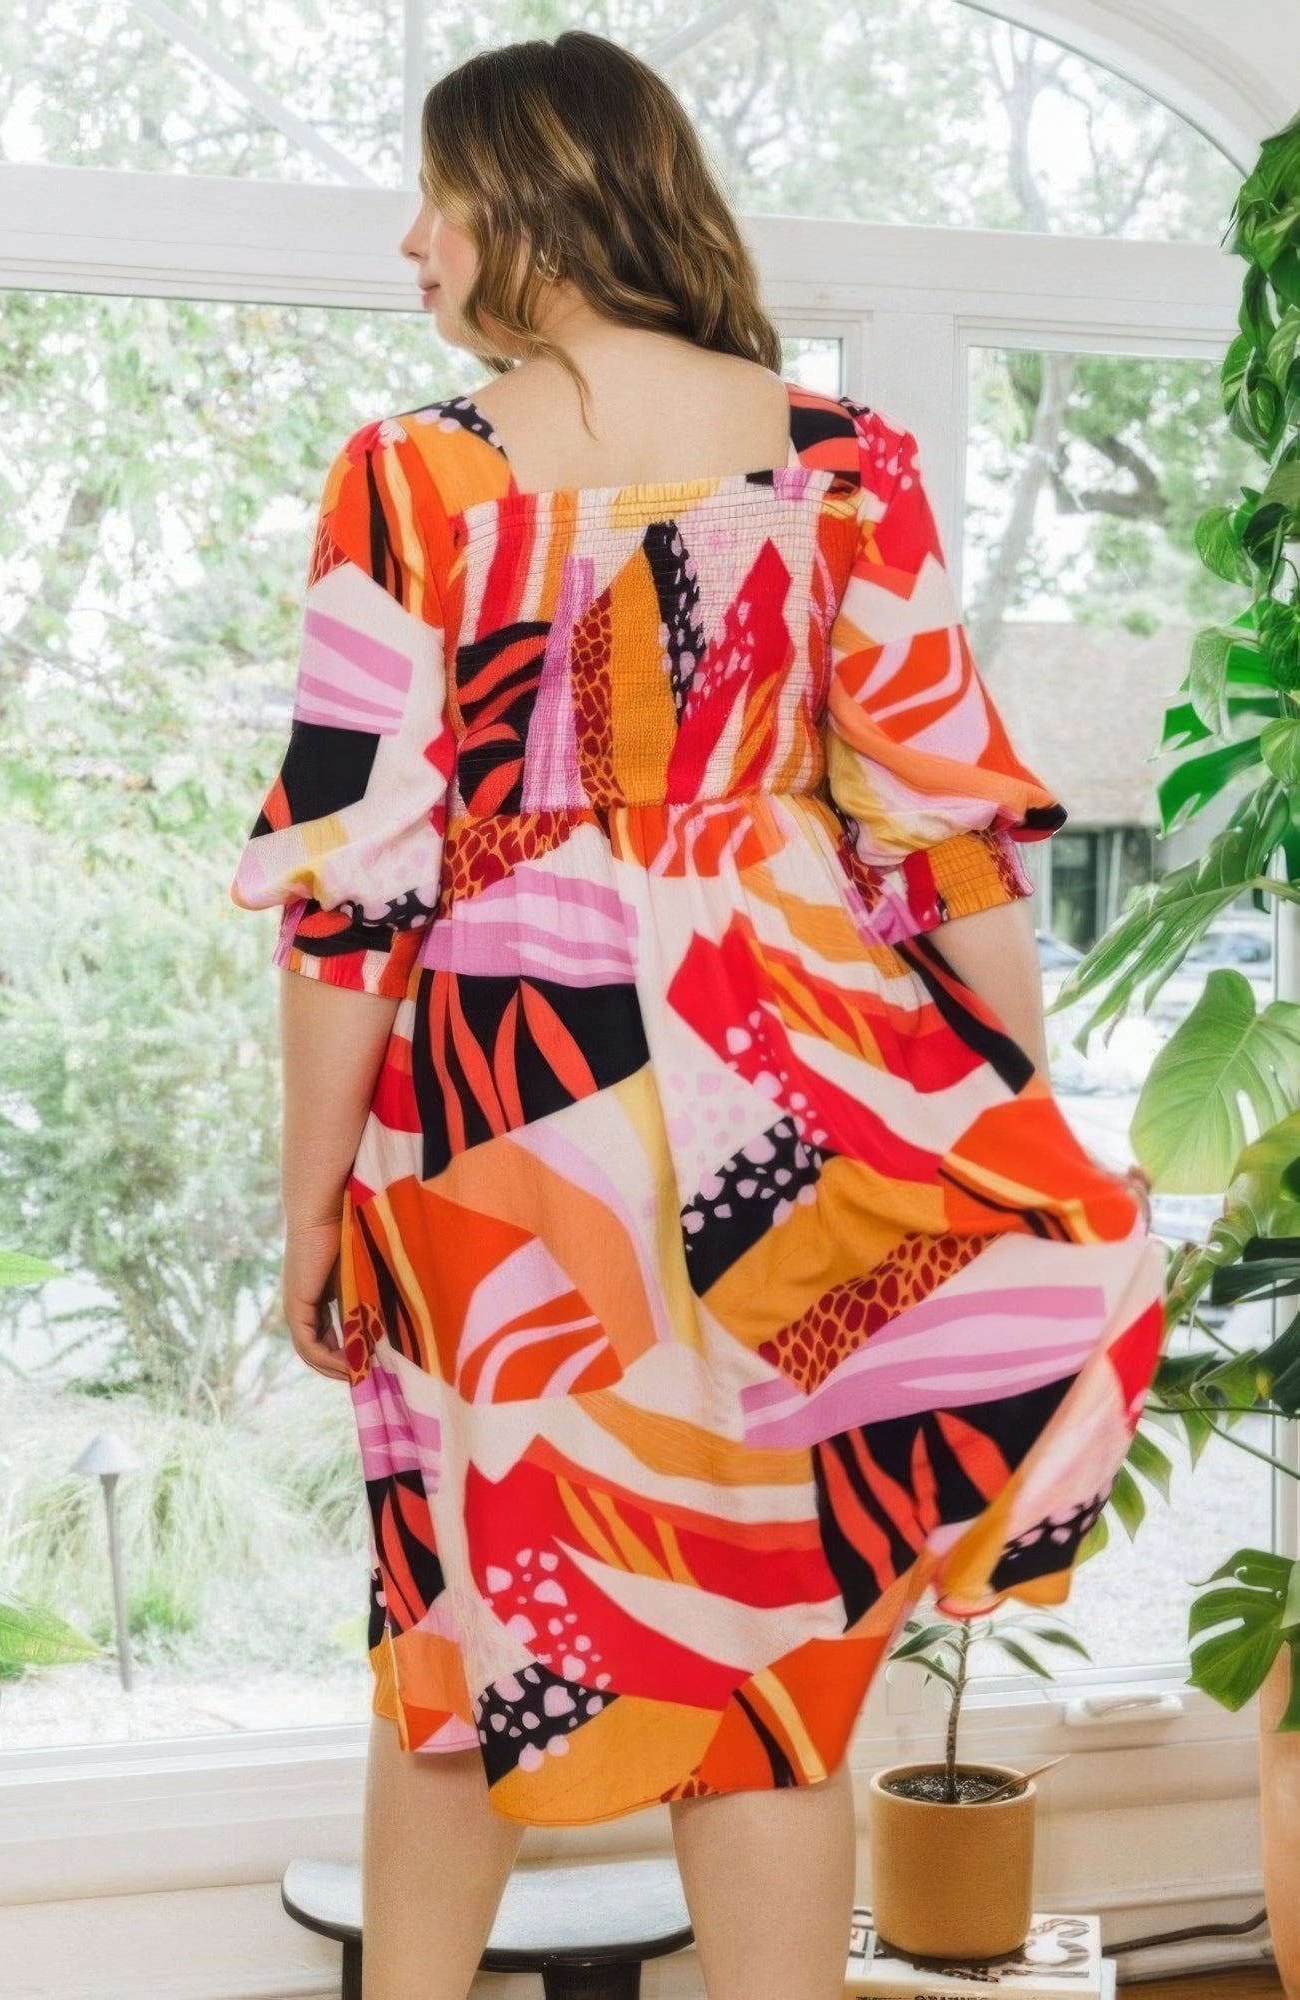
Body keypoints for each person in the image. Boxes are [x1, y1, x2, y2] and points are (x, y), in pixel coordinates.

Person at [229, 29, 1165, 2000]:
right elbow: (954, 852)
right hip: (788, 1100)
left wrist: (307, 1205)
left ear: (545, 210)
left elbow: (349, 880)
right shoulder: (836, 467)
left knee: (471, 1632)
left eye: (442, 197)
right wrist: (1022, 1132)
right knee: (767, 1672)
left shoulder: (417, 476)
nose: (412, 243)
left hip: (505, 1122)